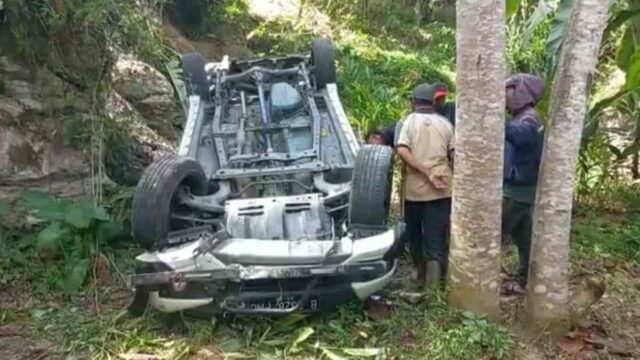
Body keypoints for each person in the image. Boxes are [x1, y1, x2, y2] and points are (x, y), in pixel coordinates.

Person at [395, 83, 454, 288]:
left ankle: (420, 276)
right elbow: (454, 155)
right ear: (433, 102)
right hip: (442, 190)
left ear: (413, 102)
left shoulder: (407, 122)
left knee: (415, 235)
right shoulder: (446, 124)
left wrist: (424, 172)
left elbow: (402, 150)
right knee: (436, 237)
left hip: (415, 193)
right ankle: (434, 289)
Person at [501, 73, 545, 295]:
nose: (504, 97)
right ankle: (523, 282)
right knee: (524, 239)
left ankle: (486, 281)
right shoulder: (520, 118)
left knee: (494, 232)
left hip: (517, 190)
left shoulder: (529, 119)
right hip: (521, 189)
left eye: (507, 91)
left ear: (519, 92)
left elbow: (523, 136)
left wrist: (497, 125)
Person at [366, 83, 454, 146]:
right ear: (433, 101)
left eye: (442, 98)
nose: (440, 101)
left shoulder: (448, 117)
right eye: (438, 98)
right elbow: (394, 130)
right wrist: (380, 136)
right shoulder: (409, 121)